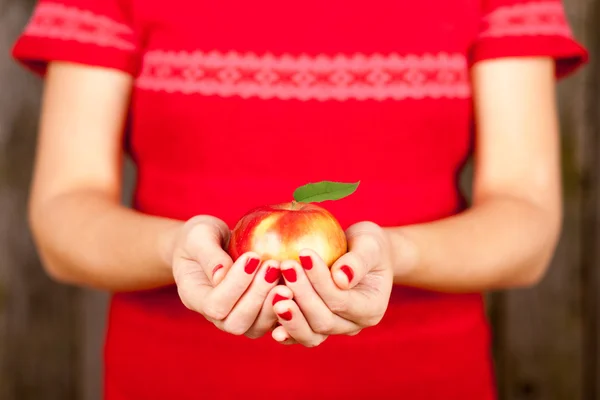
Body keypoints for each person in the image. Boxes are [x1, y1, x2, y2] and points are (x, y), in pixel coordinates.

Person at [12, 0, 587, 398]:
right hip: (171, 382)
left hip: (421, 382)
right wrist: (179, 249)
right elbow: (65, 211)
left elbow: (526, 221)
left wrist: (393, 254)